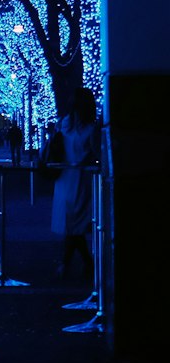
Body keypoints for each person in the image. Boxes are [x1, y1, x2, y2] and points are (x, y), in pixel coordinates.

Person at [51, 87, 100, 279]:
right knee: (76, 224)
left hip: (64, 177)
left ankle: (68, 263)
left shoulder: (63, 124)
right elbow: (96, 152)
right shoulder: (91, 128)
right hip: (82, 178)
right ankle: (80, 262)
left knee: (71, 224)